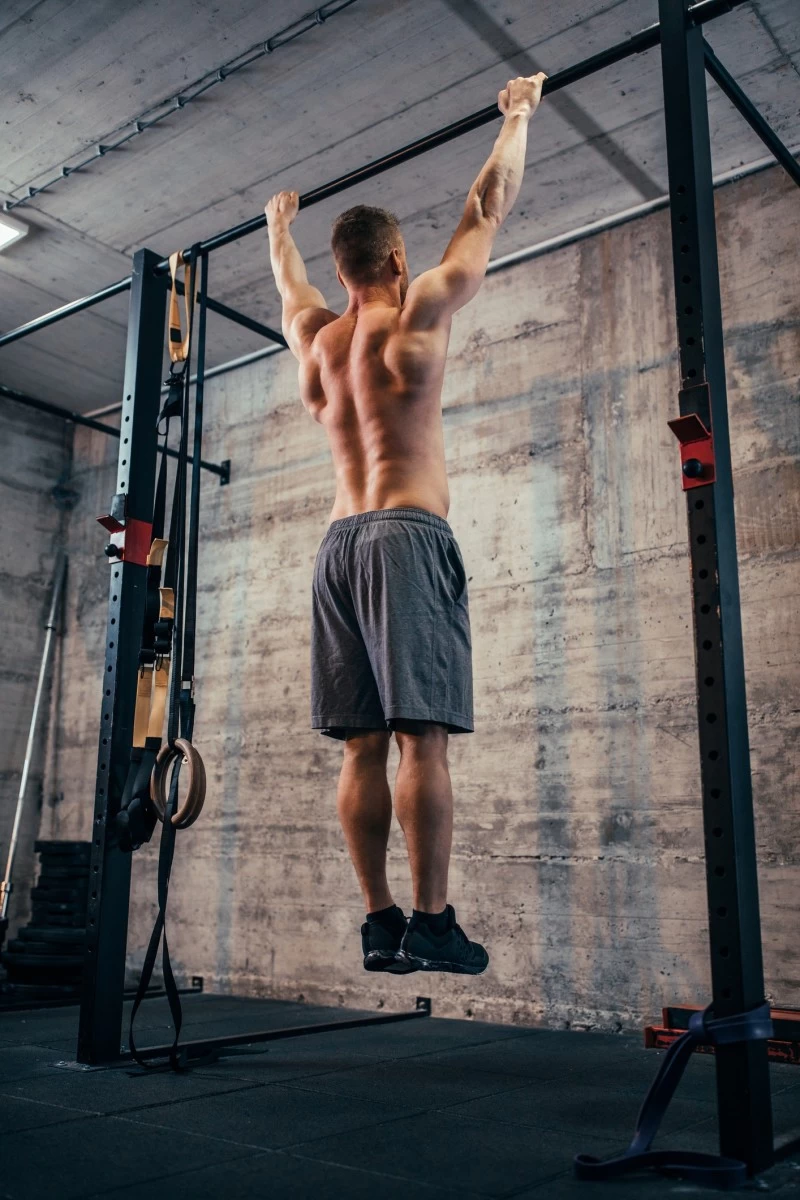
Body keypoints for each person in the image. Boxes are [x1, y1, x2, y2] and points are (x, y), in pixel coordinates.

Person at [266, 71, 547, 975]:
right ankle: (432, 919)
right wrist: (517, 116)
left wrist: (279, 230)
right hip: (406, 537)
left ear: (340, 273)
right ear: (393, 263)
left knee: (359, 745)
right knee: (420, 737)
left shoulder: (315, 342)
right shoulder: (417, 312)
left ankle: (378, 919)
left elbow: (287, 283)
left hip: (337, 547)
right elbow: (486, 205)